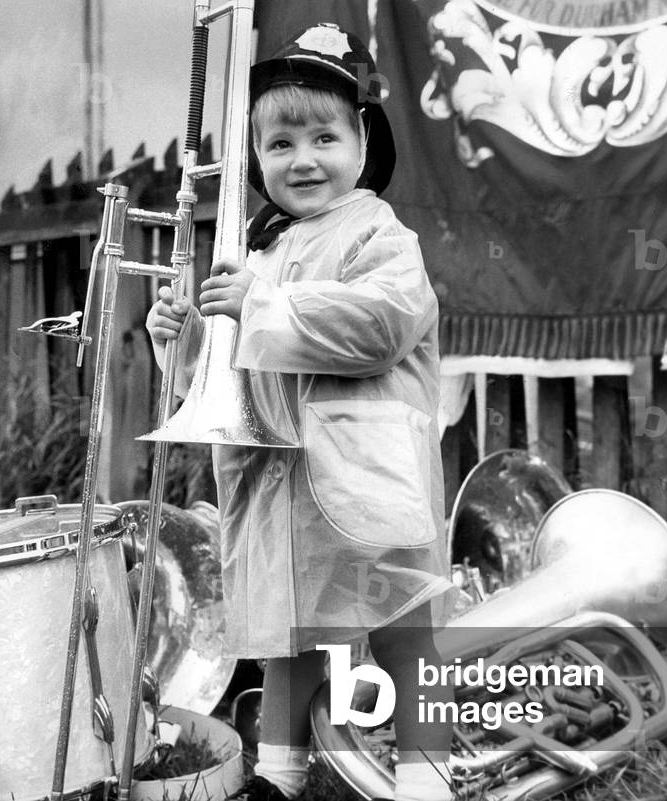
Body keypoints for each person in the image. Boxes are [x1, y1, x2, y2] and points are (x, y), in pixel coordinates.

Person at [146, 23, 456, 801]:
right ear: (257, 159)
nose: (303, 158)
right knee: (286, 639)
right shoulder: (257, 252)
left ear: (361, 145)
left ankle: (425, 775)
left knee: (404, 629)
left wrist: (267, 303)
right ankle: (278, 776)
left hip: (362, 472)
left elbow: (382, 324)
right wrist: (179, 341)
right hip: (280, 487)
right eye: (280, 144)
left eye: (324, 136)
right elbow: (220, 375)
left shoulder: (380, 233)